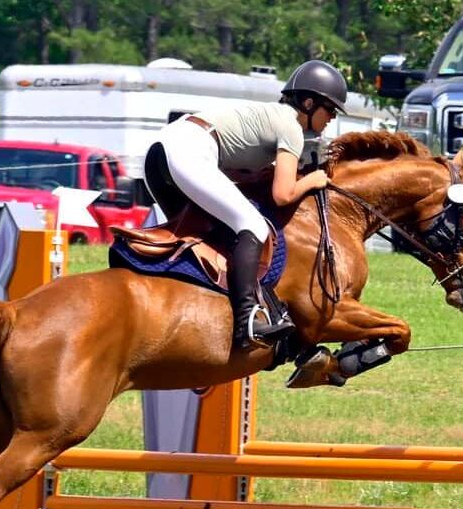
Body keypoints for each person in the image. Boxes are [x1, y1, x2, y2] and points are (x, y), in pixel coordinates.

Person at [143, 60, 347, 350]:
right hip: (187, 151)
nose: (331, 118)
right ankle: (247, 321)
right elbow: (283, 195)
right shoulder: (291, 126)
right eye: (330, 109)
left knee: (206, 236)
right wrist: (313, 180)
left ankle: (196, 314)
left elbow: (238, 172)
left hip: (160, 154)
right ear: (309, 102)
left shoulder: (273, 117)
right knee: (252, 225)